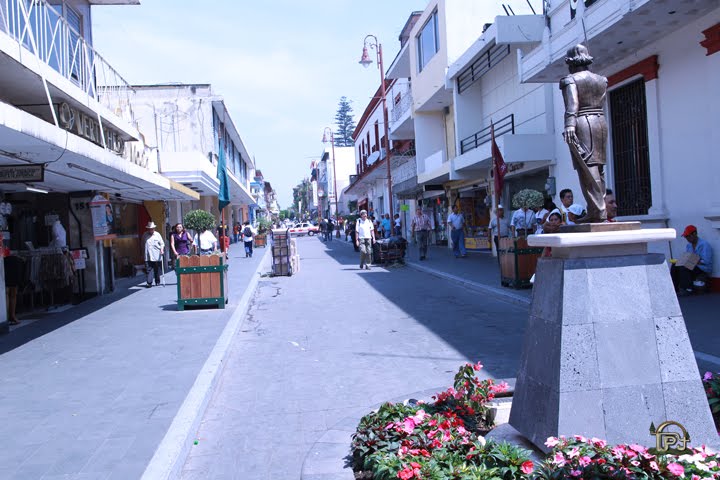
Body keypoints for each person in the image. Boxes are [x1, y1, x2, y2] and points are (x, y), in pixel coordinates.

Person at [560, 44, 609, 223]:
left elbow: (572, 105)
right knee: (599, 168)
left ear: (570, 63)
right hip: (600, 122)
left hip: (581, 122)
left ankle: (598, 210)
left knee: (586, 168)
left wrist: (569, 126)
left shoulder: (570, 80)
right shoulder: (601, 80)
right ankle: (597, 208)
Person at [671, 225, 714, 296]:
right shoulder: (689, 245)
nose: (687, 238)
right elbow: (688, 257)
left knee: (684, 267)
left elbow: (707, 262)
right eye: (686, 237)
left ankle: (687, 288)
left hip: (702, 268)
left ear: (694, 234)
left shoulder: (704, 245)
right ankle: (675, 289)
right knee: (675, 265)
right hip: (693, 266)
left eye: (688, 236)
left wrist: (693, 260)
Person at [142, 221, 165, 288]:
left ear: (154, 228)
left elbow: (162, 244)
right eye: (149, 229)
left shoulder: (157, 234)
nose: (151, 230)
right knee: (149, 269)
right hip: (148, 255)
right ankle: (149, 283)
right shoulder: (145, 235)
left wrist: (162, 249)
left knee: (156, 269)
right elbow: (142, 244)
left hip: (156, 255)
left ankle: (157, 281)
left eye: (152, 228)